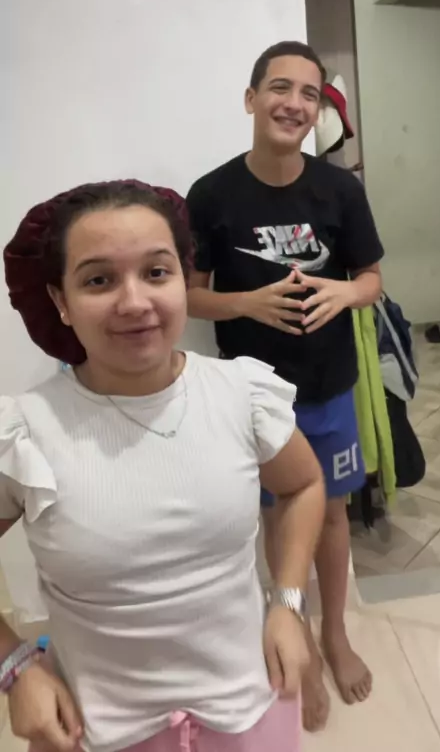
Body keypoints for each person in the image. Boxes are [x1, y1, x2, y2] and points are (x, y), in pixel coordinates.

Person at [0, 180, 326, 752]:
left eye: (156, 272)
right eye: (98, 280)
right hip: (94, 731)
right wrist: (15, 666)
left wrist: (289, 602)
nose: (134, 302)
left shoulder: (240, 394)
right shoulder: (27, 431)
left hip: (251, 708)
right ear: (60, 301)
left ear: (183, 279)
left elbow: (303, 485)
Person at [186, 41, 384, 731]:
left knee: (330, 513)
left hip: (328, 385)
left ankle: (335, 632)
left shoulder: (340, 190)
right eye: (279, 87)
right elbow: (188, 296)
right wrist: (249, 304)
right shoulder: (211, 195)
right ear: (251, 99)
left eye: (309, 93)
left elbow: (371, 279)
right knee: (277, 514)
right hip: (253, 395)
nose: (294, 103)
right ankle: (291, 633)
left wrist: (343, 294)